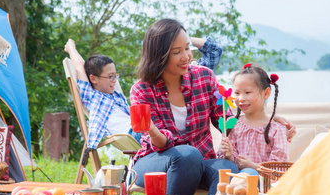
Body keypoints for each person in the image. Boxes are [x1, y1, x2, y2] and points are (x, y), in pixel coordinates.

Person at [129, 19, 295, 195]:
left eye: (188, 48)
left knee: (228, 168)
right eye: (177, 52)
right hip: (154, 162)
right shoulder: (142, 90)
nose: (186, 56)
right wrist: (151, 129)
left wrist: (267, 121)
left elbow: (225, 120)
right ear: (158, 55)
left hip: (201, 161)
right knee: (188, 156)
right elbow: (160, 143)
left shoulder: (204, 77)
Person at [64, 36, 222, 150]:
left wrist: (180, 38)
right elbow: (80, 66)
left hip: (141, 126)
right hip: (134, 134)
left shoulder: (115, 95)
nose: (114, 80)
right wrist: (71, 48)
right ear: (93, 79)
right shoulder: (92, 97)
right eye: (110, 77)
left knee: (198, 76)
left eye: (115, 76)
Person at [217, 63, 289, 179]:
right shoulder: (232, 124)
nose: (241, 99)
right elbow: (227, 165)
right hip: (236, 182)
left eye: (247, 92)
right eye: (237, 93)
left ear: (266, 93)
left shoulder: (277, 129)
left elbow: (279, 169)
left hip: (265, 184)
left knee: (249, 173)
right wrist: (229, 155)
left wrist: (253, 166)